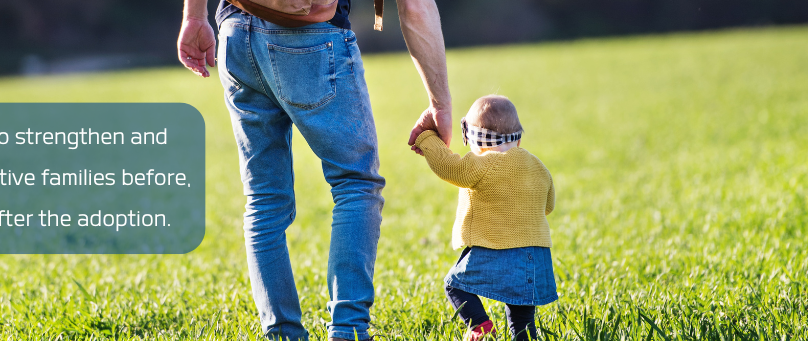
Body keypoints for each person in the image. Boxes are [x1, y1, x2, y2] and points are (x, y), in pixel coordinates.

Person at [177, 0, 453, 340]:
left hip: (234, 35)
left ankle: (282, 334)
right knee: (355, 184)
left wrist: (194, 16)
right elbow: (415, 6)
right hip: (309, 37)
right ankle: (348, 331)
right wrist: (440, 104)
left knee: (264, 199)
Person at [412, 95, 558, 341]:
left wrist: (427, 138)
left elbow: (449, 166)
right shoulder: (539, 167)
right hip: (535, 256)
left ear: (475, 142)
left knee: (455, 286)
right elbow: (548, 206)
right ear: (518, 138)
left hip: (498, 249)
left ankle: (480, 325)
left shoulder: (485, 163)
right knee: (521, 318)